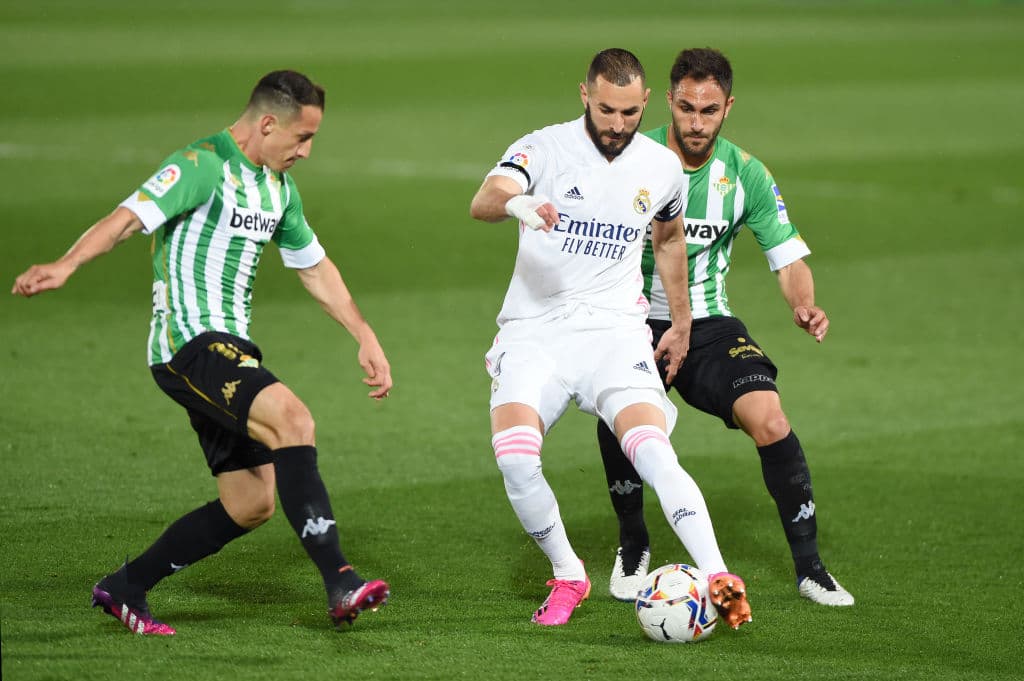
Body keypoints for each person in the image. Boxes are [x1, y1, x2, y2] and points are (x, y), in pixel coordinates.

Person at [12, 70, 393, 635]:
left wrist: (362, 332)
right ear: (268, 124)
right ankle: (340, 581)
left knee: (251, 501)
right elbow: (126, 219)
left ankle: (125, 587)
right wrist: (68, 263)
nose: (307, 151)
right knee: (293, 419)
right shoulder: (201, 166)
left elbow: (313, 265)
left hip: (232, 348)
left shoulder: (278, 189)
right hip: (188, 345)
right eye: (302, 137)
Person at [469, 48, 752, 629]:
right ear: (584, 96)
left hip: (614, 335)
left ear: (646, 103)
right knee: (516, 459)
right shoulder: (543, 148)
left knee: (653, 451)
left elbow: (669, 241)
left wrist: (679, 322)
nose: (617, 124)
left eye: (628, 112)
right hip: (535, 330)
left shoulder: (660, 165)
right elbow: (483, 200)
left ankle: (721, 578)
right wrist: (520, 203)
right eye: (605, 110)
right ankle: (570, 573)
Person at [598, 48, 854, 607]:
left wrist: (803, 304)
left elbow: (787, 258)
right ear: (667, 101)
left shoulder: (746, 175)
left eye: (708, 110)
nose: (695, 122)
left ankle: (810, 567)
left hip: (708, 320)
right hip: (628, 319)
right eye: (685, 108)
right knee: (621, 413)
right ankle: (633, 542)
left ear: (727, 107)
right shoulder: (628, 160)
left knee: (771, 418)